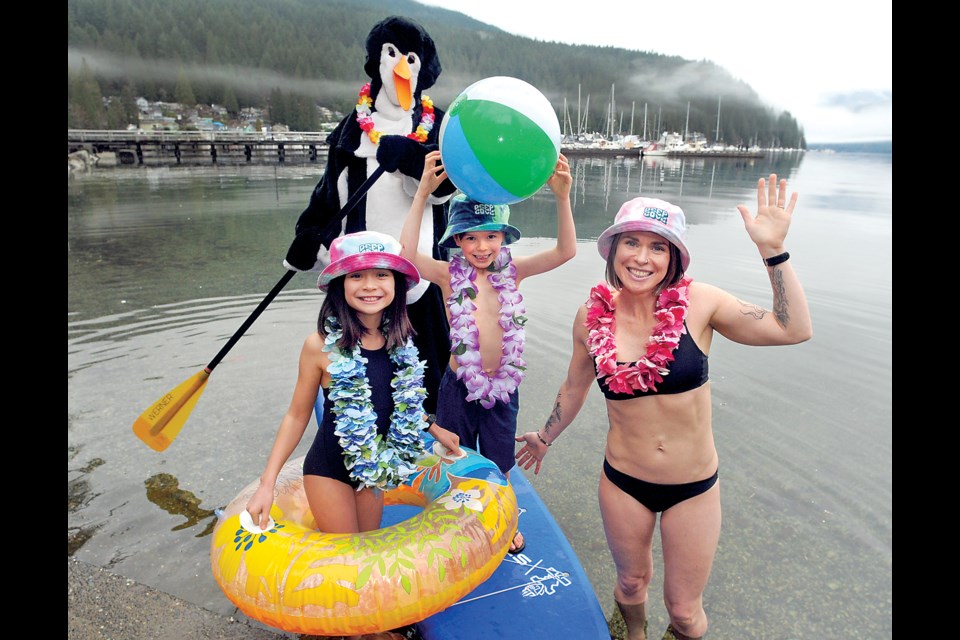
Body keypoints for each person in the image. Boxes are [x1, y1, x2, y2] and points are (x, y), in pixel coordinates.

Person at [514, 175, 812, 640]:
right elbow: (575, 385)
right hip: (623, 481)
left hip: (692, 488)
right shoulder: (590, 315)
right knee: (631, 584)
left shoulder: (701, 304)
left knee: (685, 612)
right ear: (612, 249)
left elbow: (791, 329)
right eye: (631, 242)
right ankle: (631, 634)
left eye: (658, 247)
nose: (642, 257)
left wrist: (772, 251)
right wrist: (546, 435)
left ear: (673, 258)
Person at [246, 230, 461, 640]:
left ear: (396, 284)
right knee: (349, 565)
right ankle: (362, 633)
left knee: (370, 554)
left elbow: (399, 402)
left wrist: (434, 427)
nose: (369, 286)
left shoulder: (403, 339)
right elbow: (295, 416)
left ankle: (367, 625)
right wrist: (267, 484)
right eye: (356, 277)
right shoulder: (320, 346)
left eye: (381, 275)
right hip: (329, 470)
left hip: (373, 469)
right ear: (339, 286)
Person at [400, 149, 576, 554]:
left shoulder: (514, 271)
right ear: (457, 241)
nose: (482, 246)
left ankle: (504, 518)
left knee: (501, 463)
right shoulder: (448, 276)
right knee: (452, 455)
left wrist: (563, 197)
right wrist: (422, 193)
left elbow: (566, 252)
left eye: (491, 236)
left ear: (503, 238)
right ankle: (450, 518)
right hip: (458, 384)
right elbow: (406, 256)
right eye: (471, 237)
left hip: (503, 386)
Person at [282, 16, 456, 420]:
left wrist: (412, 159)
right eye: (392, 54)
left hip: (416, 272)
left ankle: (425, 439)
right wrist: (307, 236)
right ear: (376, 60)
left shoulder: (440, 125)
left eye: (410, 59)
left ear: (422, 69)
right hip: (355, 274)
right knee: (349, 367)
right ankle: (351, 436)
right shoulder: (350, 128)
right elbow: (329, 192)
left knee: (425, 363)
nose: (400, 67)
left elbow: (447, 187)